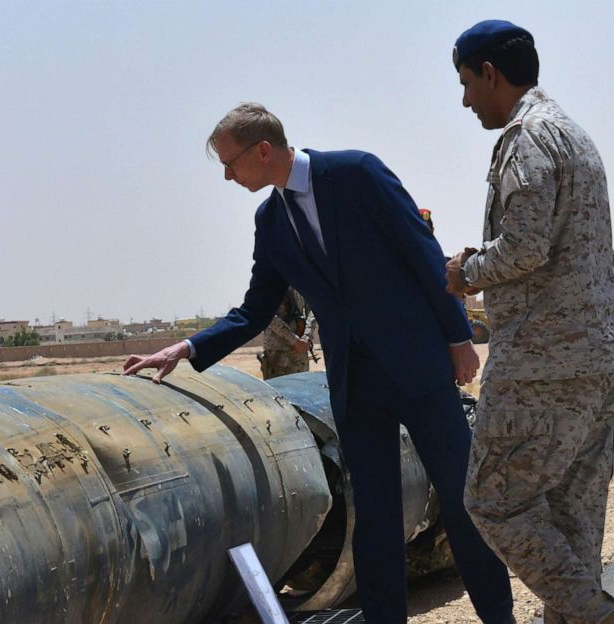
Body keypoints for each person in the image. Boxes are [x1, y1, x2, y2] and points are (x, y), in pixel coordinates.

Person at [123, 103, 513, 623]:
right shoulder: (271, 220)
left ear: (262, 150)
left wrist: (458, 337)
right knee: (373, 518)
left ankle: (499, 617)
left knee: (463, 502)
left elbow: (422, 252)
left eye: (230, 163)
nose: (226, 176)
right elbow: (255, 307)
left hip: (417, 367)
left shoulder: (356, 174)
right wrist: (187, 348)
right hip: (356, 385)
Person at [445, 20, 614, 624]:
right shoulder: (575, 136)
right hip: (595, 366)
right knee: (571, 515)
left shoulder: (528, 137)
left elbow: (524, 246)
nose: (465, 100)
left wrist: (464, 270)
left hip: (542, 365)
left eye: (466, 83)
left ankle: (594, 611)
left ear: (491, 73)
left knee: (492, 502)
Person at [258, 287, 316, 379]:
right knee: (278, 391)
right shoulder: (269, 280)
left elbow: (313, 310)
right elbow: (266, 314)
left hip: (300, 351)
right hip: (278, 353)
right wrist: (294, 340)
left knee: (302, 389)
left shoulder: (303, 281)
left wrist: (307, 336)